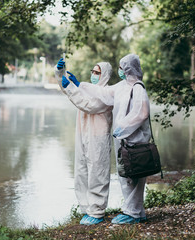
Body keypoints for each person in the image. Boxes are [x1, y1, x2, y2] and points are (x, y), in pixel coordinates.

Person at [63, 54, 150, 224]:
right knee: (126, 175)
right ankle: (136, 211)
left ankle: (133, 213)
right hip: (122, 139)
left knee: (136, 175)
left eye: (122, 67)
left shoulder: (138, 88)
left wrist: (123, 128)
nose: (120, 70)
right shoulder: (121, 86)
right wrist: (81, 85)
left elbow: (142, 113)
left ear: (129, 69)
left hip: (136, 138)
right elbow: (103, 92)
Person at [54, 58, 113, 225]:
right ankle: (86, 209)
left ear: (105, 75)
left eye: (97, 72)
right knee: (81, 171)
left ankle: (97, 211)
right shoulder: (87, 89)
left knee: (97, 172)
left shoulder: (107, 94)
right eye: (92, 72)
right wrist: (60, 74)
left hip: (98, 137)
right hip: (82, 134)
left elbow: (89, 105)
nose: (93, 75)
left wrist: (72, 87)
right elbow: (69, 92)